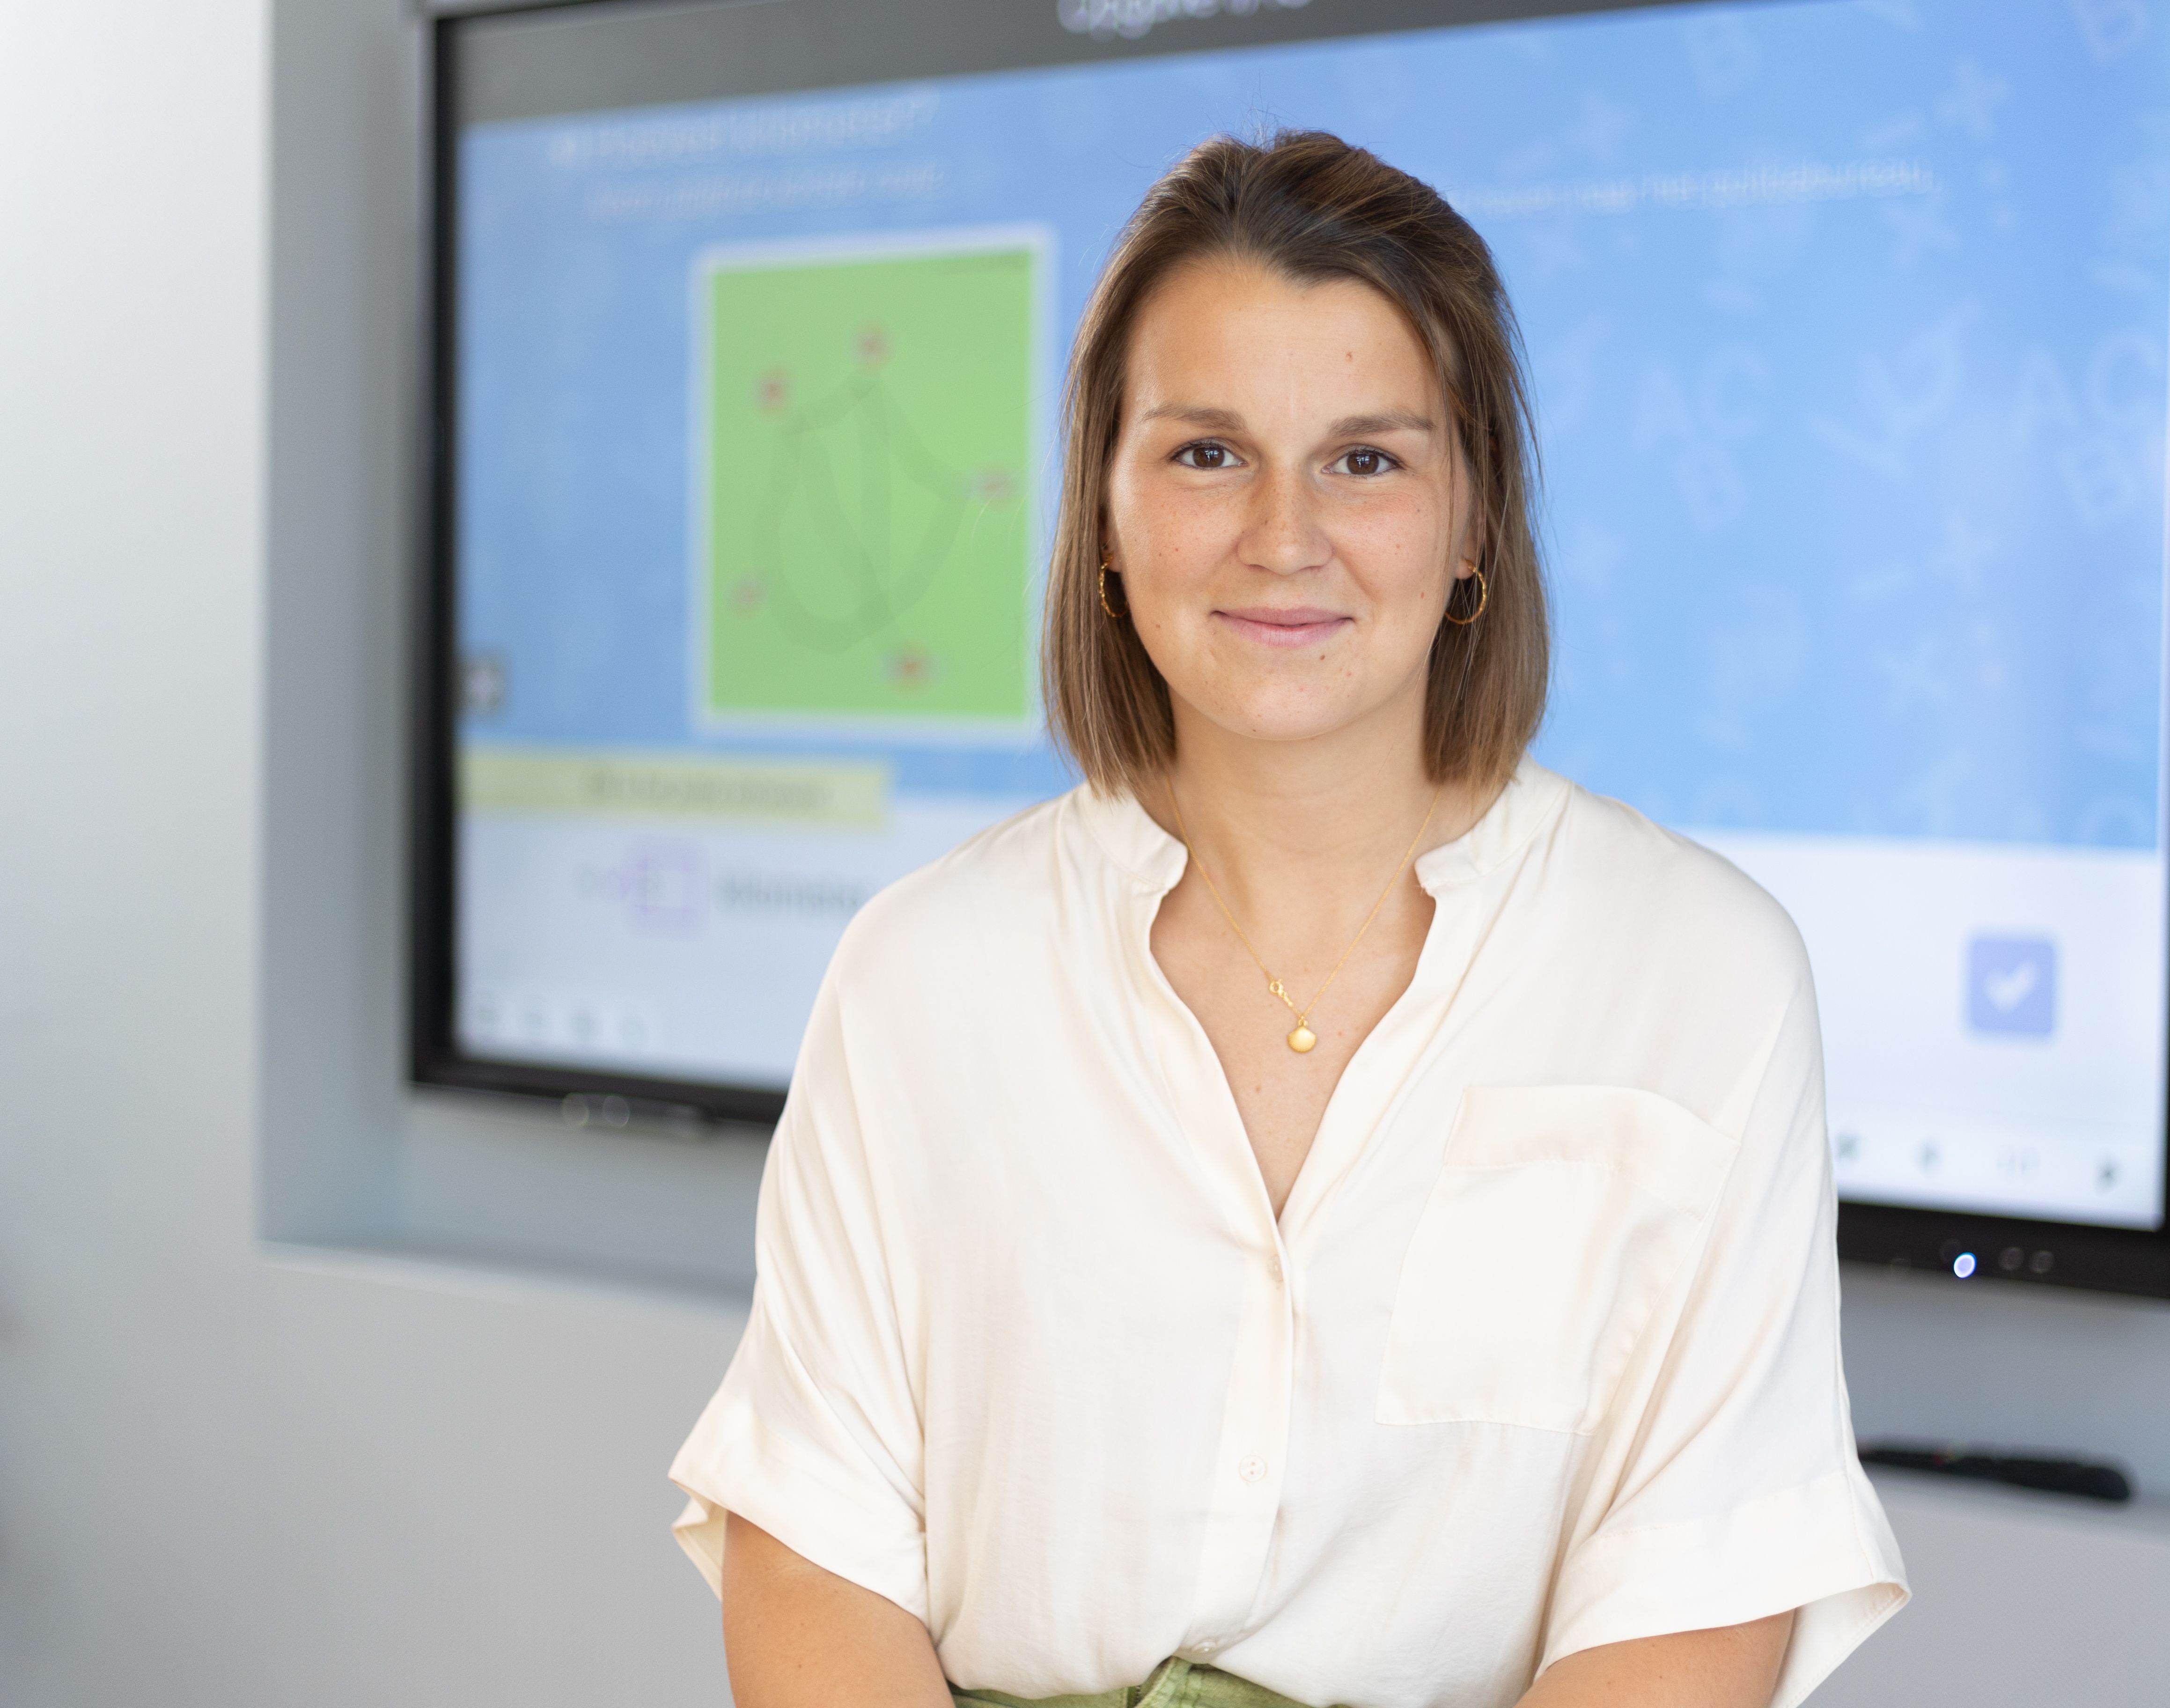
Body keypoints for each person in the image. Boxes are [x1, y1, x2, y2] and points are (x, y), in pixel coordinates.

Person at [670, 130, 1906, 1708]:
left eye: (1368, 458)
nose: (1283, 535)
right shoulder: (922, 973)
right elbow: (810, 1548)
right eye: (1206, 454)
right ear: (1104, 516)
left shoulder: (1702, 975)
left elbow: (1701, 1591)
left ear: (1474, 524)